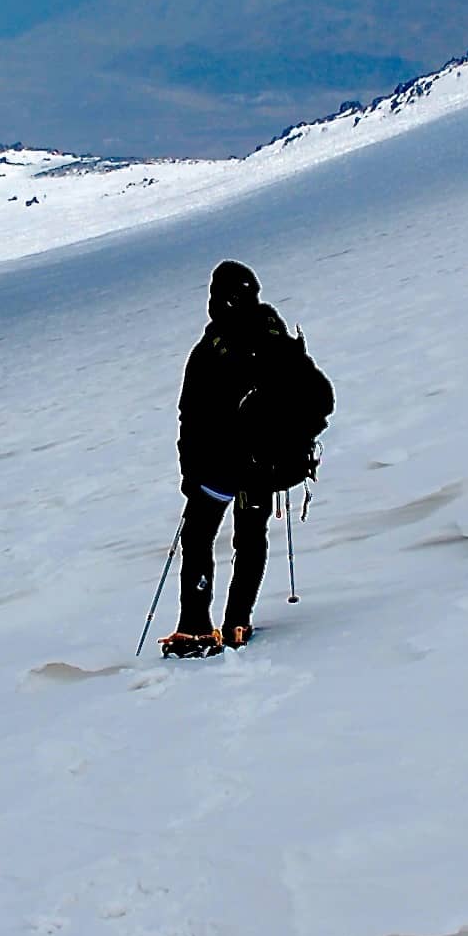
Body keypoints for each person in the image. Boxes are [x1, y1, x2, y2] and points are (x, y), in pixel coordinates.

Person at [164, 260, 299, 655]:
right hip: (265, 463)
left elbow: (189, 416)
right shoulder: (273, 338)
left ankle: (195, 627)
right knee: (251, 538)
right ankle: (238, 621)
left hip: (219, 467)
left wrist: (190, 473)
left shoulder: (209, 352)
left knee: (198, 537)